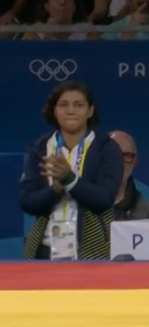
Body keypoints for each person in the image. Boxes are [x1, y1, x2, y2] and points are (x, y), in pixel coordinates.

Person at [19, 81, 123, 260]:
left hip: (92, 251)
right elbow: (28, 201)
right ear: (54, 110)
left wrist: (71, 180)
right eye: (63, 105)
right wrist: (55, 189)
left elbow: (104, 198)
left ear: (90, 111)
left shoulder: (107, 148)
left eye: (79, 105)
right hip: (44, 250)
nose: (71, 111)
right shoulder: (39, 148)